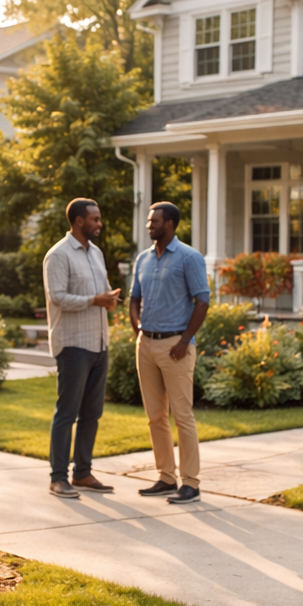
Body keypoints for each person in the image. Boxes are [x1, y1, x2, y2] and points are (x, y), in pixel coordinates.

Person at [128, 202, 210, 504]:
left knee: (182, 416)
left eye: (155, 221)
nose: (150, 225)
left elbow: (202, 301)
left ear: (170, 224)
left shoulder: (189, 258)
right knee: (155, 417)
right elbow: (134, 299)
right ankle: (166, 476)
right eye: (149, 221)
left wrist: (185, 340)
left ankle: (191, 483)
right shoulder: (143, 259)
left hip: (176, 346)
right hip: (146, 345)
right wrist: (137, 328)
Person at [43, 198, 122, 498]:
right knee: (67, 411)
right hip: (73, 345)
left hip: (99, 342)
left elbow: (95, 292)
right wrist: (94, 300)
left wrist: (107, 298)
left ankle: (83, 473)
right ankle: (58, 477)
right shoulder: (58, 255)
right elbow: (58, 297)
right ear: (78, 221)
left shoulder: (96, 253)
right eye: (95, 219)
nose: (99, 224)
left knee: (93, 412)